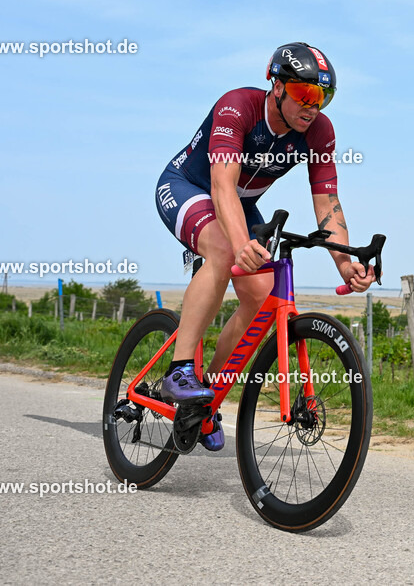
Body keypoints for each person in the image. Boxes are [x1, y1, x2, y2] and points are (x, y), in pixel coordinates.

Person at [154, 42, 374, 450]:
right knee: (222, 251)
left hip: (241, 203)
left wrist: (344, 264)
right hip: (189, 186)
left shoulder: (319, 132)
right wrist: (240, 244)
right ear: (276, 85)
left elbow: (327, 201)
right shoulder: (238, 107)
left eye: (323, 97)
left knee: (259, 295)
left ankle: (204, 398)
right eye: (305, 94)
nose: (314, 106)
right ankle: (180, 369)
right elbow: (221, 184)